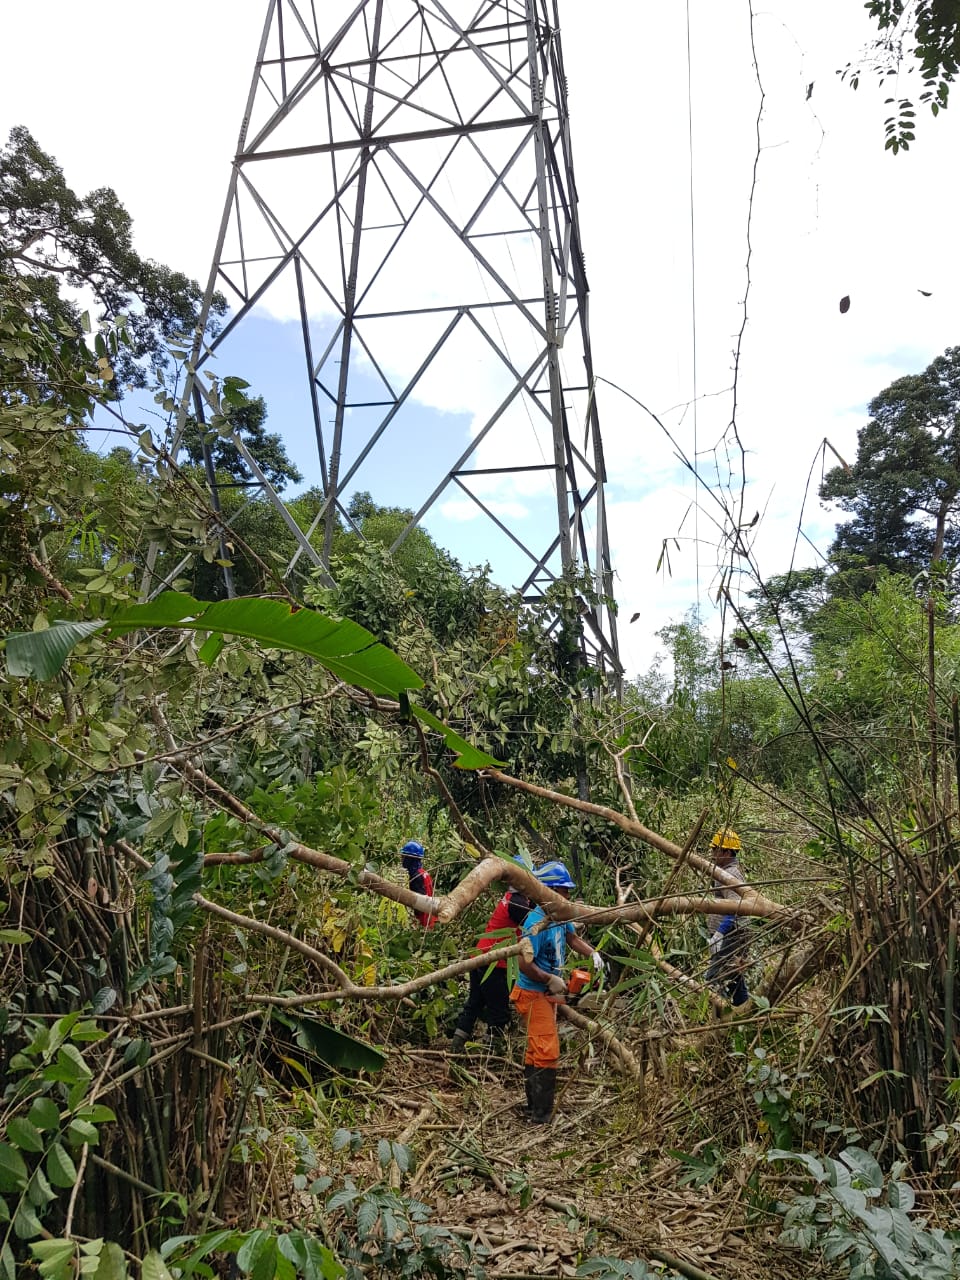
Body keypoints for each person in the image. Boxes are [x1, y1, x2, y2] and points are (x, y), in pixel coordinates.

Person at [509, 860, 605, 1124]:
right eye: (563, 891)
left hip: (545, 993)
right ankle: (541, 1114)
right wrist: (548, 978)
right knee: (547, 1051)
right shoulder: (536, 922)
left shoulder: (559, 916)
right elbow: (523, 962)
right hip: (533, 993)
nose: (567, 896)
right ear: (548, 891)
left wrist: (593, 953)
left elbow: (573, 939)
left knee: (536, 1049)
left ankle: (534, 1108)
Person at [450, 878, 533, 1049]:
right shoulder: (517, 903)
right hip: (493, 964)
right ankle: (492, 1054)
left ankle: (456, 1049)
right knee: (499, 1013)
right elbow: (534, 924)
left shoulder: (513, 898)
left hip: (481, 957)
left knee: (474, 1004)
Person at [705, 829, 750, 1007]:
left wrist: (720, 933)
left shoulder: (729, 875)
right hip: (732, 933)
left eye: (715, 849)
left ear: (726, 852)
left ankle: (720, 1017)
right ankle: (745, 1012)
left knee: (714, 979)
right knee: (734, 977)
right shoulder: (724, 872)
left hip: (732, 933)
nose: (712, 853)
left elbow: (735, 907)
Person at [400, 840, 437, 929]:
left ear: (410, 859)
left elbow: (420, 903)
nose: (402, 859)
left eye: (404, 857)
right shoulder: (423, 872)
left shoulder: (416, 877)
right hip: (431, 916)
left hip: (424, 921)